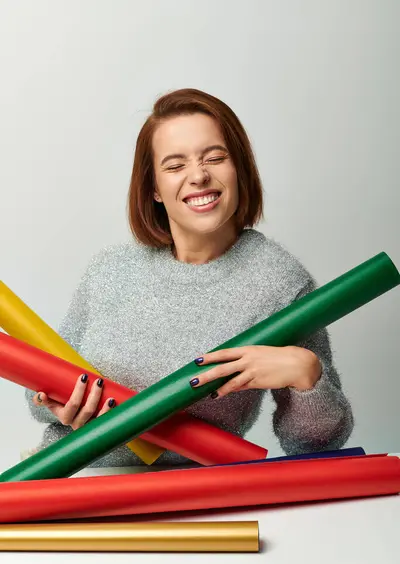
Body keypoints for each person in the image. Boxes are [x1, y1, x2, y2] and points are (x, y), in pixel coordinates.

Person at [25, 88, 354, 466]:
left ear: (239, 169)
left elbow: (316, 449)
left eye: (215, 157)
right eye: (175, 165)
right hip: (59, 482)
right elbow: (36, 395)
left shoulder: (280, 282)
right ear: (154, 188)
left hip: (190, 501)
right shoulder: (109, 269)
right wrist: (55, 404)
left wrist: (307, 378)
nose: (198, 176)